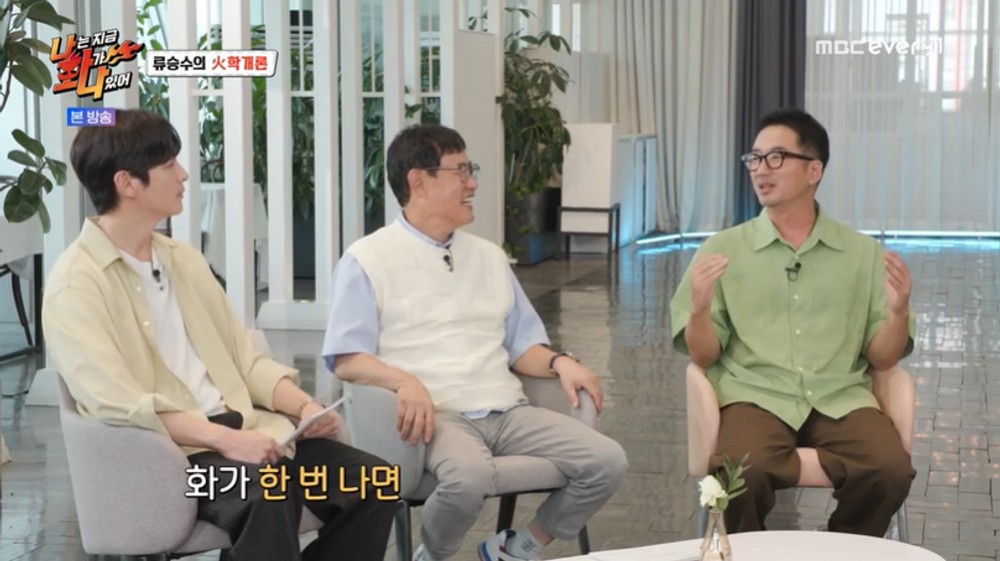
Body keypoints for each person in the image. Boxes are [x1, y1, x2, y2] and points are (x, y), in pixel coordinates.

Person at [43, 108, 394, 561]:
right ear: (127, 183)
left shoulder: (184, 260)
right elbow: (120, 404)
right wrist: (226, 441)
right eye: (169, 165)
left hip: (249, 433)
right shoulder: (76, 284)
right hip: (179, 460)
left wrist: (304, 408)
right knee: (269, 494)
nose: (183, 175)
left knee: (375, 482)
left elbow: (245, 361)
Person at [322, 123, 628, 561]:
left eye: (472, 171)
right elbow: (347, 358)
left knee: (606, 461)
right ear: (418, 181)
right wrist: (404, 381)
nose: (473, 184)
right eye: (461, 171)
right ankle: (434, 555)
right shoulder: (367, 259)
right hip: (436, 417)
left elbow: (523, 346)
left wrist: (560, 362)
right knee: (468, 476)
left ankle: (517, 549)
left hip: (507, 410)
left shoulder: (489, 256)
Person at [670, 108, 916, 536]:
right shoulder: (722, 250)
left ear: (813, 170)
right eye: (755, 158)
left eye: (776, 157)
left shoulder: (861, 254)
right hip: (754, 395)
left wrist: (897, 312)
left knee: (889, 469)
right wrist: (698, 309)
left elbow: (883, 358)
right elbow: (703, 356)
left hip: (839, 395)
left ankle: (844, 549)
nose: (761, 169)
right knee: (740, 474)